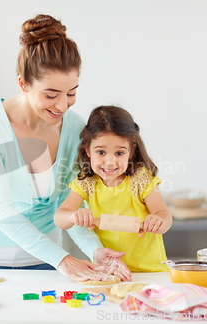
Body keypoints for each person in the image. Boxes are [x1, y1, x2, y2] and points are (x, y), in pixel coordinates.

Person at [0, 14, 131, 282]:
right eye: (51, 95)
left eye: (71, 93)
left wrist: (94, 250)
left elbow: (69, 203)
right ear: (23, 84)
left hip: (44, 262)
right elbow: (0, 211)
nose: (62, 106)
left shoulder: (74, 127)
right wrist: (62, 259)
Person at [54, 105, 173, 272]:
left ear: (131, 151)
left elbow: (164, 216)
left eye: (119, 153)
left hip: (149, 270)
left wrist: (158, 221)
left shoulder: (141, 179)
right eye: (101, 152)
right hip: (109, 269)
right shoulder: (87, 182)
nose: (110, 162)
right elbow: (60, 218)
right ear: (88, 150)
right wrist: (74, 215)